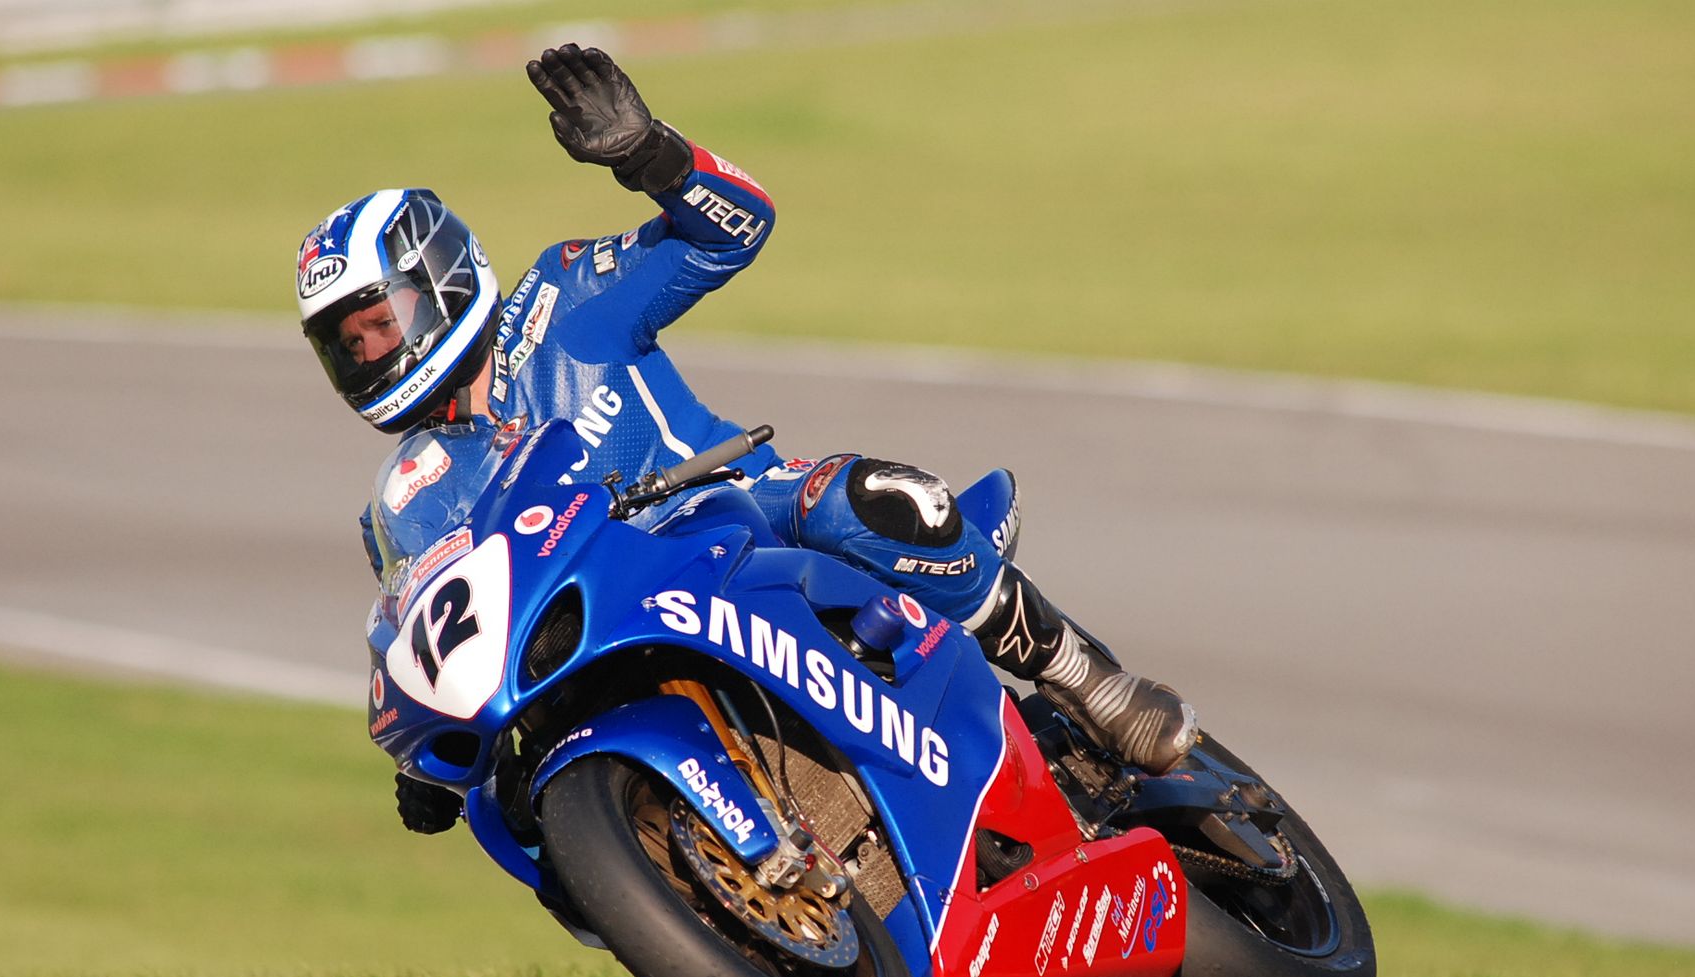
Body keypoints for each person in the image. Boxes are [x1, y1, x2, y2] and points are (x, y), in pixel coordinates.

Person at [296, 45, 1197, 834]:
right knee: (519, 800)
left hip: (734, 518)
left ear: (440, 277)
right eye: (346, 343)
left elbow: (737, 228)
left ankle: (1092, 686)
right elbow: (429, 635)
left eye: (376, 323)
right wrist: (420, 765)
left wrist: (651, 157)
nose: (367, 352)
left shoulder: (565, 301)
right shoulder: (406, 493)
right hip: (608, 625)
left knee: (871, 500)